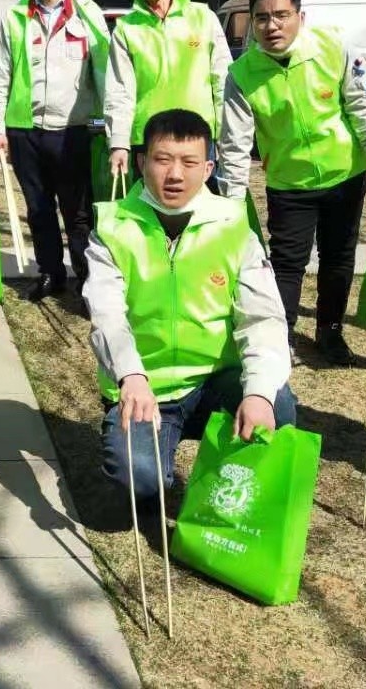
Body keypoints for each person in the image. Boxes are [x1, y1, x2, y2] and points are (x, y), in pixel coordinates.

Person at [85, 109, 294, 503]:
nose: (175, 174)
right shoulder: (112, 228)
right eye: (163, 160)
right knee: (141, 483)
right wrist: (130, 376)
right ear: (142, 161)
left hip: (216, 380)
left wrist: (259, 393)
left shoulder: (234, 226)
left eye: (190, 162)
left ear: (208, 167)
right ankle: (148, 460)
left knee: (277, 403)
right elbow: (107, 315)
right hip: (147, 388)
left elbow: (263, 317)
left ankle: (225, 490)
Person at [219, 0, 366, 365]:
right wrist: (230, 200)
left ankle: (330, 333)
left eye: (281, 15)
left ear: (300, 16)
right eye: (261, 18)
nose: (272, 25)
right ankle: (282, 337)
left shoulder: (335, 48)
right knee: (287, 263)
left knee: (338, 257)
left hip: (344, 176)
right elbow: (234, 143)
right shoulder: (242, 74)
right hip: (288, 183)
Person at [0, 0, 107, 304]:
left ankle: (87, 279)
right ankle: (51, 273)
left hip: (73, 131)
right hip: (25, 130)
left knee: (78, 213)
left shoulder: (87, 12)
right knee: (38, 210)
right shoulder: (14, 16)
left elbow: (104, 71)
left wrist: (109, 123)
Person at [105, 0, 231, 183]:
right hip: (148, 139)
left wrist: (227, 136)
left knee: (200, 211)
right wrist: (119, 143)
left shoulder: (203, 17)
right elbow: (119, 91)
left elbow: (223, 80)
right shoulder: (126, 29)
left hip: (199, 137)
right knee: (150, 213)